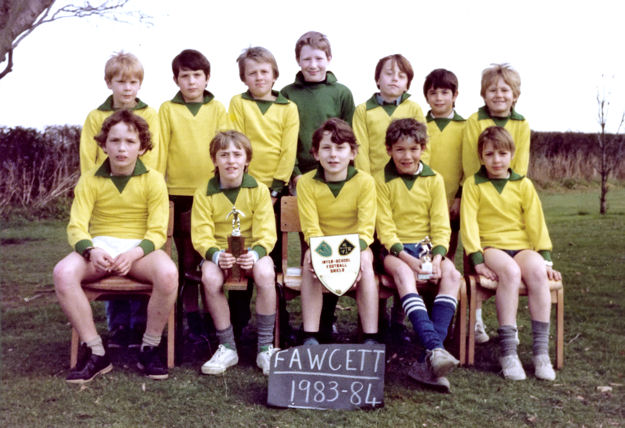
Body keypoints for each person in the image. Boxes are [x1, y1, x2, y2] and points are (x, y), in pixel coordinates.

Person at [53, 110, 178, 384]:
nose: (122, 148)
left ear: (142, 146)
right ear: (103, 144)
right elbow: (76, 227)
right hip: (100, 248)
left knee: (168, 273)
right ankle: (96, 351)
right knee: (63, 272)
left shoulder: (154, 179)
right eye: (115, 140)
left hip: (138, 251)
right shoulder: (89, 180)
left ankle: (149, 347)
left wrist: (134, 254)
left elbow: (157, 231)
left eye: (130, 142)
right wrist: (91, 251)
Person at [460, 126, 561, 381]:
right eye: (490, 154)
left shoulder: (522, 184)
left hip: (522, 246)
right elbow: (468, 222)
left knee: (537, 272)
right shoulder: (474, 184)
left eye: (502, 153)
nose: (496, 160)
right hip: (492, 247)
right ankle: (508, 352)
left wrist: (544, 256)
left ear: (512, 155)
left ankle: (540, 353)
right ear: (481, 156)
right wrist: (477, 259)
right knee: (511, 272)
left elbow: (536, 221)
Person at [79, 51, 161, 348]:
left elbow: (155, 154)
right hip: (105, 193)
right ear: (109, 83)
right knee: (107, 249)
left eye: (133, 82)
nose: (127, 88)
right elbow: (88, 160)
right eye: (121, 82)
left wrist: (147, 187)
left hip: (140, 194)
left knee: (138, 254)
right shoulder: (94, 117)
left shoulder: (150, 114)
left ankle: (141, 323)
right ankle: (118, 325)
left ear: (140, 84)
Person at [375, 118, 461, 391]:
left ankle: (430, 360)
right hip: (395, 251)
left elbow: (440, 225)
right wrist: (408, 259)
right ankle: (435, 348)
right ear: (389, 149)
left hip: (425, 249)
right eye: (400, 149)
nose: (407, 156)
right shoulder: (380, 180)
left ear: (423, 148)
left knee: (452, 273)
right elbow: (385, 230)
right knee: (403, 274)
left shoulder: (434, 179)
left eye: (413, 149)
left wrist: (437, 257)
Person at [281, 30, 356, 342]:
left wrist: (347, 174)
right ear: (298, 61)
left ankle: (328, 317)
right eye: (306, 59)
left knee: (337, 249)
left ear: (329, 59)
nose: (313, 64)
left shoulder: (341, 92)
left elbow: (350, 136)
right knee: (311, 245)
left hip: (337, 180)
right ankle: (306, 320)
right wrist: (295, 173)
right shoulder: (287, 92)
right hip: (302, 180)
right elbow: (285, 137)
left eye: (318, 58)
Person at [191, 131, 278, 375]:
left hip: (250, 251)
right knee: (210, 277)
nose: (231, 161)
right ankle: (227, 346)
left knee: (265, 273)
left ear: (247, 160)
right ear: (214, 160)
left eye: (237, 154)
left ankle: (265, 347)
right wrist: (216, 255)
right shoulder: (203, 192)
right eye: (224, 155)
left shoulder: (259, 190)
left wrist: (257, 252)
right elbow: (201, 234)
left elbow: (267, 232)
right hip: (220, 253)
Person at [159, 49, 229, 345]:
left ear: (207, 77)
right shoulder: (167, 109)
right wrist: (159, 188)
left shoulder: (217, 108)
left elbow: (223, 148)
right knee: (187, 258)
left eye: (196, 76)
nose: (190, 82)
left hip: (210, 192)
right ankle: (190, 316)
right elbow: (160, 148)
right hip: (177, 192)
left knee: (208, 255)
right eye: (184, 76)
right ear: (176, 79)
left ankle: (216, 318)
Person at [461, 63, 530, 343]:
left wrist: (511, 191)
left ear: (514, 94)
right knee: (473, 252)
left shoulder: (521, 124)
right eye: (492, 90)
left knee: (507, 264)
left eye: (505, 90)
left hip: (509, 194)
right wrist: (475, 189)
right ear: (483, 93)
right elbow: (468, 160)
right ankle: (475, 320)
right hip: (478, 191)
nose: (498, 95)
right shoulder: (474, 121)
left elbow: (521, 162)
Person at [296, 118, 378, 346]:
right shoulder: (306, 183)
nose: (333, 155)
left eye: (340, 148)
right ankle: (310, 336)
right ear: (315, 154)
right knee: (309, 258)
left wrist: (346, 255)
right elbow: (311, 227)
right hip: (322, 245)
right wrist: (323, 253)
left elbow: (365, 229)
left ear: (352, 153)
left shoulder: (365, 182)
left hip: (356, 246)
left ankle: (370, 336)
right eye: (326, 148)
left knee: (365, 259)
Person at [353, 54, 426, 176]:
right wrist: (365, 181)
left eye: (401, 76)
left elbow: (424, 146)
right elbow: (360, 151)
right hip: (375, 180)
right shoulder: (363, 111)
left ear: (407, 85)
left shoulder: (414, 109)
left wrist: (417, 177)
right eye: (389, 73)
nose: (395, 79)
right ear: (378, 79)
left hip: (408, 180)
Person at [420, 68, 465, 263]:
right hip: (422, 198)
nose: (439, 98)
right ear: (426, 96)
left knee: (446, 254)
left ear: (455, 95)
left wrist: (459, 196)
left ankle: (445, 292)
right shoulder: (419, 125)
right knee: (420, 251)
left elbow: (469, 163)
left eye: (445, 92)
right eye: (433, 93)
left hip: (451, 199)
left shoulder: (465, 126)